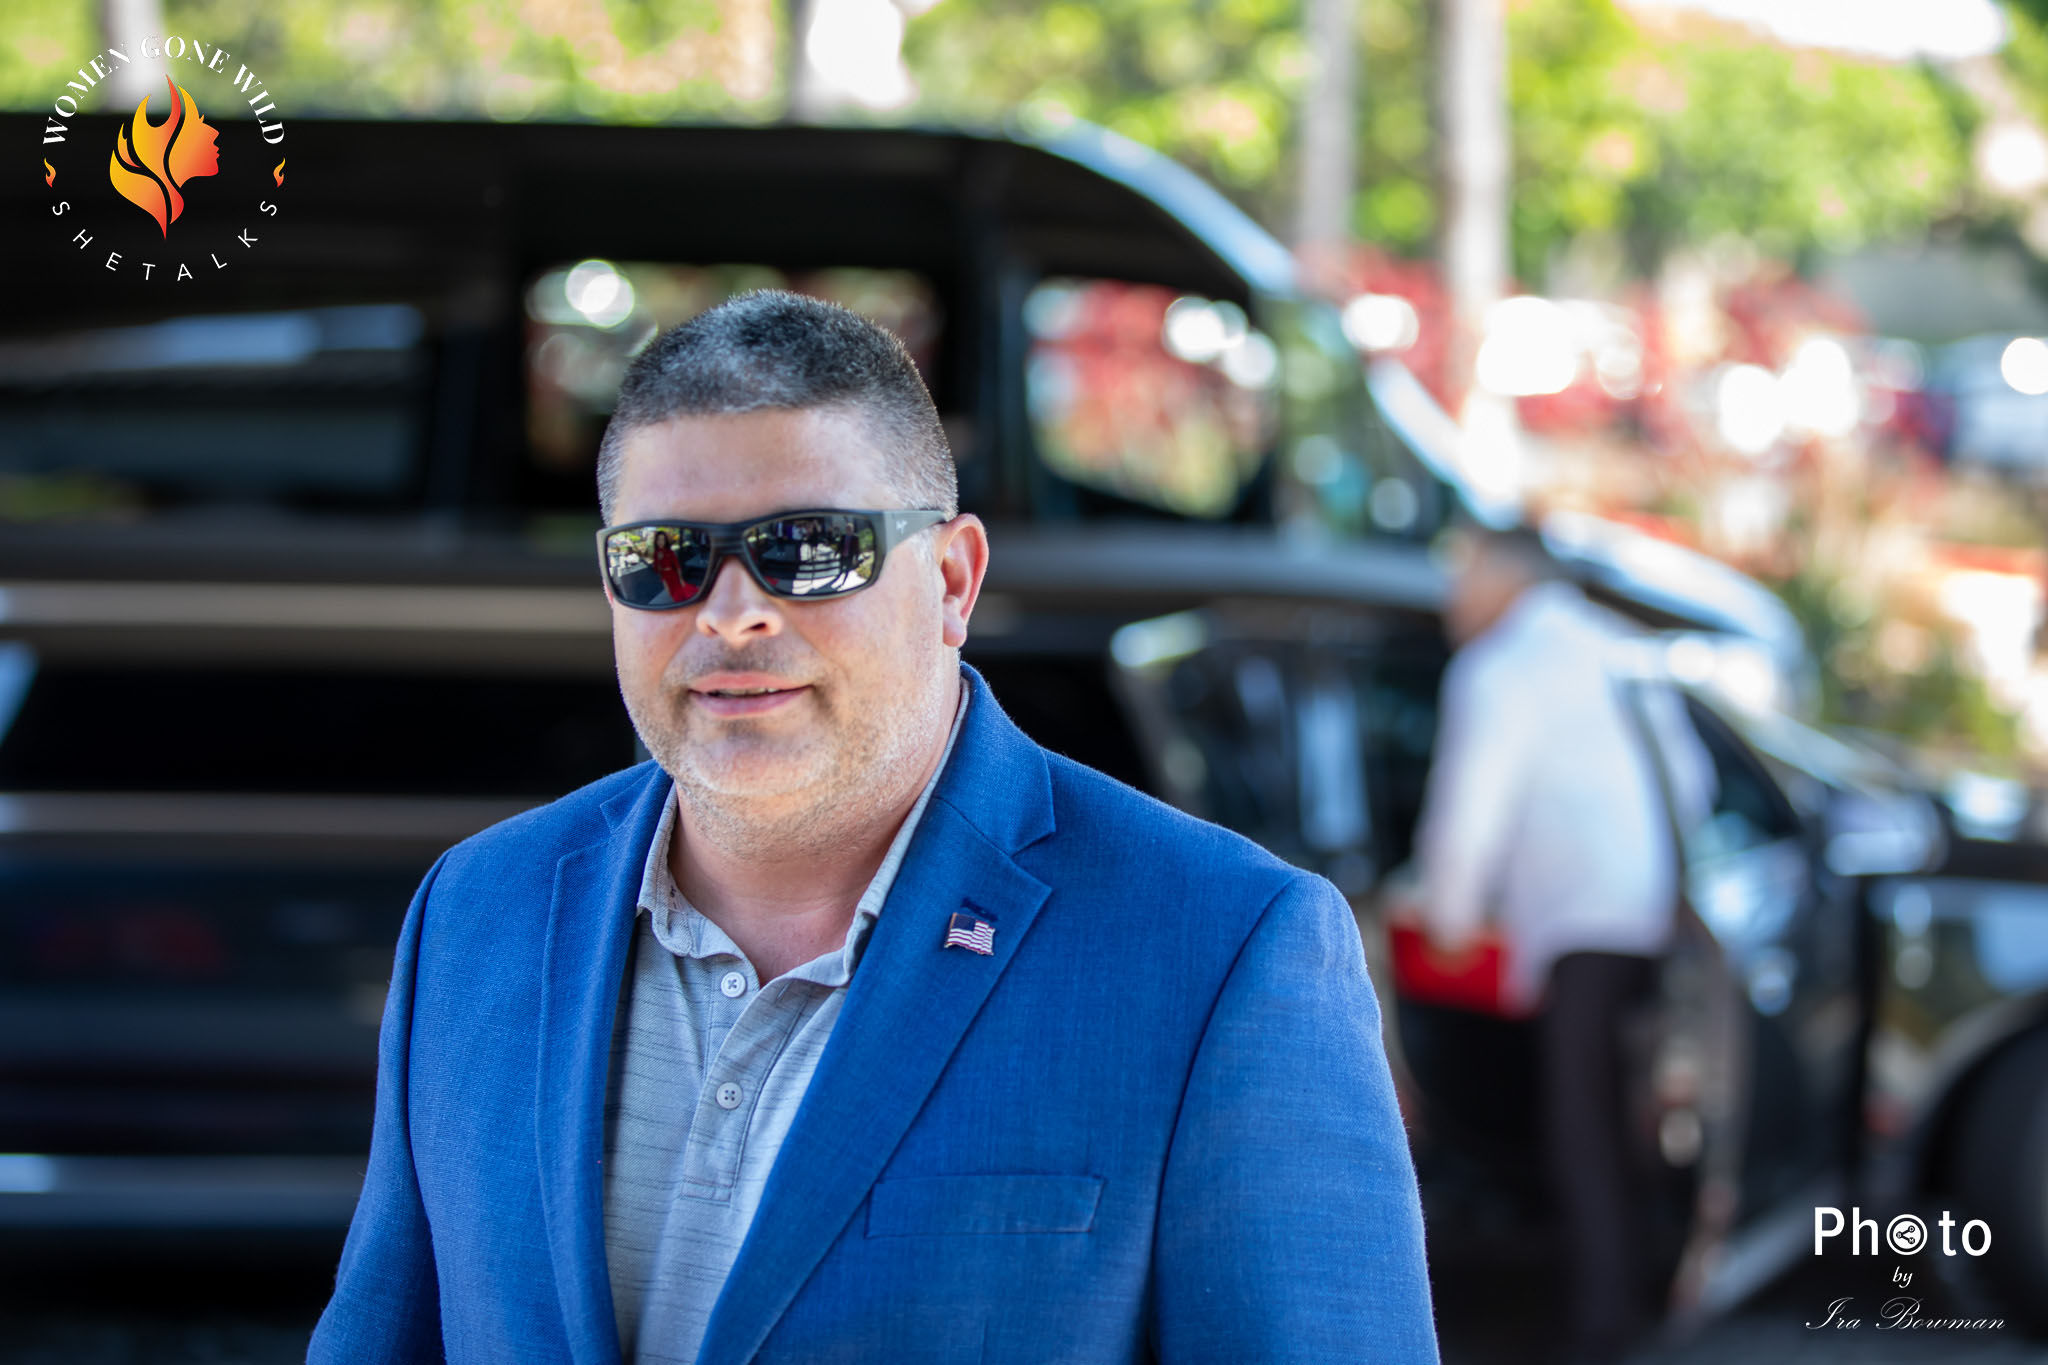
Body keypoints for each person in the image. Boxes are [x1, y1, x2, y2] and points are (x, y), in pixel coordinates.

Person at [310, 290, 1438, 1365]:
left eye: (809, 549)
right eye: (667, 559)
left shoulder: (1223, 950)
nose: (732, 613)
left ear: (952, 579)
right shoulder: (480, 911)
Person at [1408, 524, 1713, 1365]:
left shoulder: (1499, 666)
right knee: (1617, 1119)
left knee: (1580, 1127)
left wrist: (1448, 918)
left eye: (1459, 573)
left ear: (1505, 576)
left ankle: (1600, 1324)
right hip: (1647, 916)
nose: (1449, 596)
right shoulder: (1620, 646)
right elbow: (1692, 783)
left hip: (1580, 922)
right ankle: (1632, 1292)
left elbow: (1469, 809)